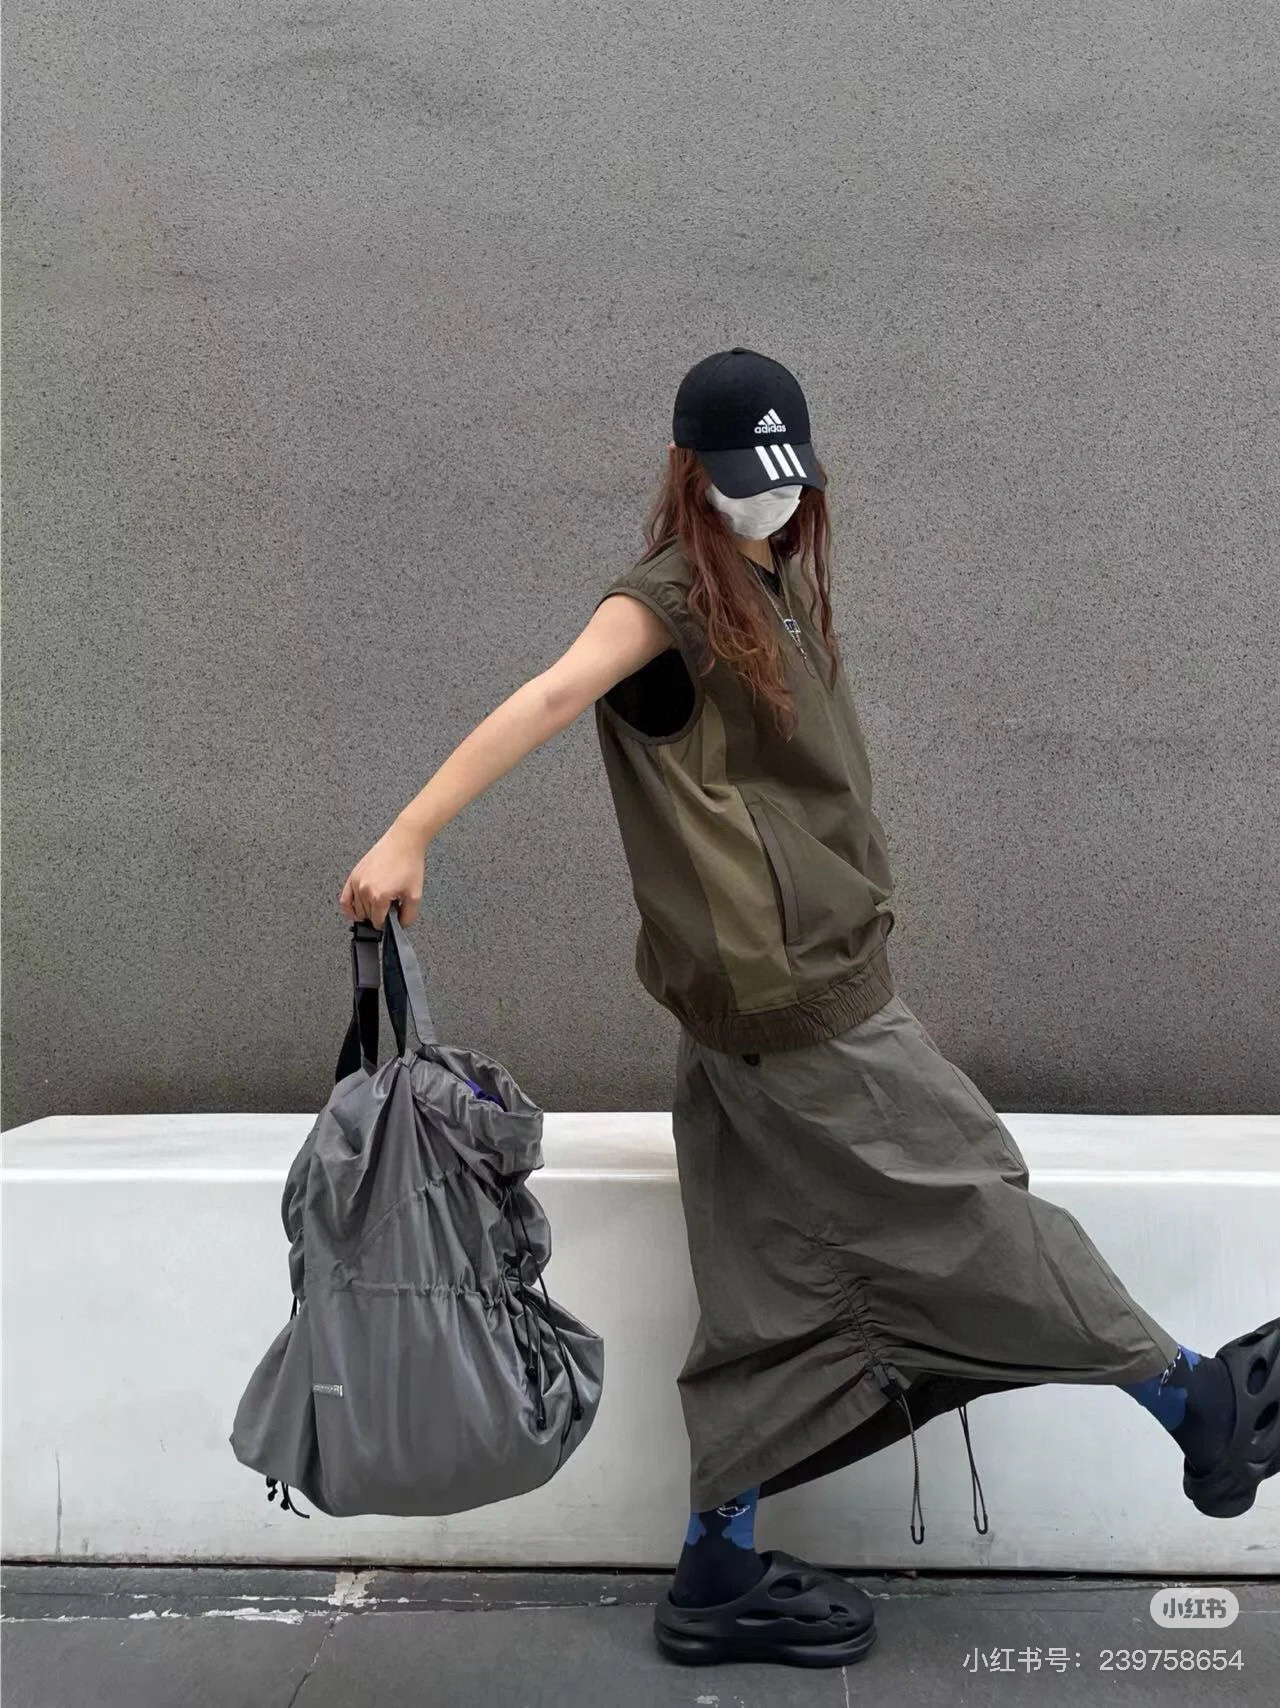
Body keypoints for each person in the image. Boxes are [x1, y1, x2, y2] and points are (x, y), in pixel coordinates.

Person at [339, 346, 1278, 1670]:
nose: (770, 501)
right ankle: (1196, 1407)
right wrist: (411, 831)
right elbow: (550, 694)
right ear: (690, 473)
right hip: (796, 1008)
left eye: (785, 479)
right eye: (743, 481)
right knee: (969, 1204)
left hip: (758, 1007)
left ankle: (718, 1571)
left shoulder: (769, 582)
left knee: (766, 1293)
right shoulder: (663, 603)